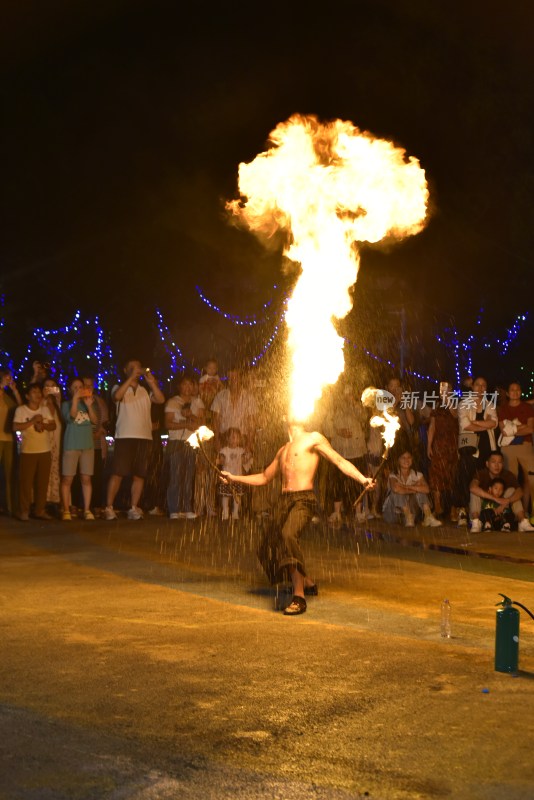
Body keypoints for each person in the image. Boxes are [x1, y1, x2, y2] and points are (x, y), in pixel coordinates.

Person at [221, 419, 376, 616]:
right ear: (285, 418)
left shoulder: (313, 438)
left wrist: (362, 479)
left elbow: (339, 461)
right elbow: (264, 477)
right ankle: (308, 582)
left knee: (288, 535)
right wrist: (233, 478)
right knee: (267, 545)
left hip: (304, 499)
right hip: (284, 500)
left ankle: (299, 596)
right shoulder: (283, 449)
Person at [105, 360, 165, 520]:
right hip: (124, 436)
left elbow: (160, 399)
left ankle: (133, 507)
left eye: (137, 367)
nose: (136, 369)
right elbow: (116, 397)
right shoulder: (118, 387)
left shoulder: (145, 391)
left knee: (139, 474)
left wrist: (152, 383)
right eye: (131, 367)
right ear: (125, 370)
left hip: (144, 437)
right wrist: (130, 379)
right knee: (118, 473)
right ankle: (109, 507)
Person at [324, 378, 369, 524]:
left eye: (350, 392)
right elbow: (326, 426)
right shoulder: (334, 407)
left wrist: (353, 403)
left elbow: (364, 417)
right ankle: (337, 512)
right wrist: (338, 432)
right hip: (339, 451)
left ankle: (358, 512)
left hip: (356, 450)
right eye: (344, 392)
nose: (346, 395)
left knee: (357, 481)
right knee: (337, 483)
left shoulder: (358, 406)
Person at [454, 376, 498, 526]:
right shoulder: (464, 404)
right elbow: (466, 425)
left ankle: (480, 514)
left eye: (483, 385)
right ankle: (462, 512)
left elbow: (494, 422)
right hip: (469, 448)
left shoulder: (490, 404)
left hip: (486, 449)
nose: (480, 388)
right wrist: (485, 425)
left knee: (482, 479)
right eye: (477, 385)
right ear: (472, 387)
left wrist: (477, 423)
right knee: (465, 478)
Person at [13, 383, 56, 521]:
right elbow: (15, 427)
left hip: (45, 451)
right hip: (28, 451)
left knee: (42, 483)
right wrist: (32, 421)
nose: (37, 394)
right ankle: (23, 511)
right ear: (27, 396)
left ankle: (39, 510)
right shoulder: (21, 410)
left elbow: (53, 425)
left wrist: (43, 424)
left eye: (39, 392)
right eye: (34, 392)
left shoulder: (45, 410)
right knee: (26, 483)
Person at [165, 375, 204, 520]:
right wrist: (185, 424)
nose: (187, 388)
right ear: (179, 387)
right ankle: (174, 509)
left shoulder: (197, 401)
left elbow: (201, 422)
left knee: (189, 476)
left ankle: (187, 508)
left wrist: (191, 416)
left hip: (192, 441)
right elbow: (168, 424)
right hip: (176, 441)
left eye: (190, 384)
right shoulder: (173, 402)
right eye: (184, 384)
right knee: (175, 475)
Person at [60, 378, 99, 521]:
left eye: (80, 387)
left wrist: (89, 406)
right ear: (70, 390)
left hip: (87, 446)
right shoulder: (66, 404)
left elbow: (95, 421)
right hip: (71, 445)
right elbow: (71, 417)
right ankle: (66, 510)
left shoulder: (88, 403)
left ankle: (87, 510)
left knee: (86, 478)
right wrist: (75, 400)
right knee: (67, 479)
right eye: (75, 387)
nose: (78, 389)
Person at [469, 451, 534, 532]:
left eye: (499, 462)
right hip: (484, 507)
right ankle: (476, 522)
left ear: (502, 464)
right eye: (493, 462)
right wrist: (494, 498)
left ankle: (522, 521)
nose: (497, 465)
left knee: (512, 490)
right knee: (475, 492)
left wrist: (507, 501)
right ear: (487, 464)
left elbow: (520, 491)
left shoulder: (507, 474)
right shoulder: (481, 473)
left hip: (503, 507)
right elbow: (472, 487)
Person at [497, 381, 534, 514]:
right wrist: (520, 427)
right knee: (511, 481)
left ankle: (528, 510)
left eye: (517, 389)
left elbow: (530, 429)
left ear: (521, 392)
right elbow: (504, 431)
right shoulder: (503, 409)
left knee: (530, 479)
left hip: (525, 446)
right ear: (507, 393)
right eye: (512, 389)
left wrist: (512, 428)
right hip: (508, 448)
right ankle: (515, 513)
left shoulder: (527, 408)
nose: (515, 391)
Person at [382, 450, 442, 528]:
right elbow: (396, 489)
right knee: (397, 492)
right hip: (393, 513)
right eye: (403, 458)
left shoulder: (417, 474)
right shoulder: (393, 475)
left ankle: (428, 516)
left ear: (412, 459)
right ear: (398, 460)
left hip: (410, 513)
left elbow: (427, 489)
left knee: (420, 490)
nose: (406, 460)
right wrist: (415, 488)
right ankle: (408, 517)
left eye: (409, 457)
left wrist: (407, 487)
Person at [427, 381, 459, 520]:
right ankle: (437, 506)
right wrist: (429, 445)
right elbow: (432, 426)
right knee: (436, 475)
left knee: (452, 476)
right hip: (438, 444)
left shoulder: (458, 402)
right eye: (442, 388)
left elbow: (455, 415)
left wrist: (448, 400)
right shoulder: (436, 404)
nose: (444, 390)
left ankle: (453, 509)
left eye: (447, 387)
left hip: (452, 444)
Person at [217, 427, 252, 520]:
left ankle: (235, 513)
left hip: (237, 477)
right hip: (227, 478)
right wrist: (220, 461)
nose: (233, 439)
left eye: (236, 437)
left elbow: (244, 461)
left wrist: (248, 456)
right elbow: (221, 461)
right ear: (227, 438)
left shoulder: (241, 451)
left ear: (239, 439)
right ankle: (225, 512)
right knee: (226, 496)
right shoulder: (224, 450)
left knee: (237, 495)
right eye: (231, 437)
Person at [0, 369, 22, 515]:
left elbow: (20, 409)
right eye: (8, 376)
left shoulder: (8, 397)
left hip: (8, 439)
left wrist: (15, 391)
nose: (10, 379)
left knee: (9, 473)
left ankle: (9, 505)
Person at [42, 377, 63, 513]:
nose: (50, 388)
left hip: (56, 442)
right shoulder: (40, 404)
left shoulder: (59, 405)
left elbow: (65, 419)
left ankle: (54, 500)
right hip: (43, 442)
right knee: (43, 471)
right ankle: (41, 500)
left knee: (55, 470)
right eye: (47, 386)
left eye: (53, 385)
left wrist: (59, 400)